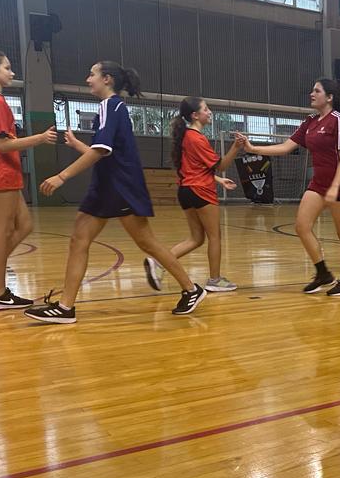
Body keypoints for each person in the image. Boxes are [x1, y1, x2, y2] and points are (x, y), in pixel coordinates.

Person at [25, 60, 206, 323]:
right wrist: (78, 146)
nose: (88, 79)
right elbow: (105, 152)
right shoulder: (111, 108)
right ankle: (65, 308)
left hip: (120, 187)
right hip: (105, 186)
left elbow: (101, 150)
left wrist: (62, 176)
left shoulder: (110, 106)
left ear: (107, 79)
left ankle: (191, 289)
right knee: (79, 239)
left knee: (146, 242)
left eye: (92, 74)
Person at [237, 78, 340, 296]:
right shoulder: (310, 121)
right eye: (312, 90)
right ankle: (323, 273)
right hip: (319, 183)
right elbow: (286, 147)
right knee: (302, 226)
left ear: (329, 97)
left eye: (317, 91)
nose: (312, 94)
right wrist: (253, 148)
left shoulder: (339, 120)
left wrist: (335, 187)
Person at [0, 49, 55, 309]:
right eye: (7, 67)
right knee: (2, 232)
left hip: (5, 171)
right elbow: (3, 145)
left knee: (24, 225)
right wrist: (40, 138)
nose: (12, 72)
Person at [144, 97, 241, 294]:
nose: (209, 112)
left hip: (186, 191)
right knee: (215, 237)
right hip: (200, 191)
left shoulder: (186, 136)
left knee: (196, 239)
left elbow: (195, 168)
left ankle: (159, 262)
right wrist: (236, 147)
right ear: (195, 115)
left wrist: (219, 180)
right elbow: (221, 165)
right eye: (206, 109)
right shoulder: (197, 138)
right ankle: (215, 280)